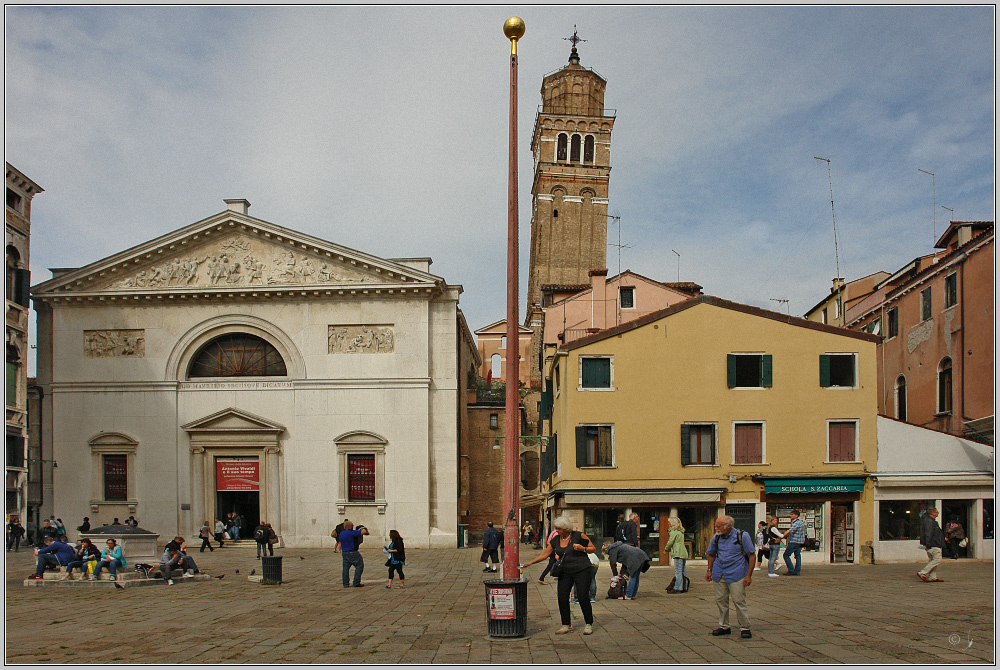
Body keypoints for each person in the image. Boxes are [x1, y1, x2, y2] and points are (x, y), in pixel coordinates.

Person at [520, 515, 596, 635]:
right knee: (562, 597)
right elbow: (545, 554)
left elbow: (593, 548)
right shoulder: (555, 540)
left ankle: (588, 623)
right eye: (556, 528)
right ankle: (566, 624)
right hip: (565, 571)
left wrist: (583, 548)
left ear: (566, 528)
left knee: (582, 597)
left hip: (582, 570)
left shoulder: (578, 535)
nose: (557, 531)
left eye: (559, 529)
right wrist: (529, 563)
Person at [706, 515, 756, 639]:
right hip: (719, 572)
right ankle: (724, 626)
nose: (716, 528)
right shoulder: (716, 537)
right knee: (721, 600)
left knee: (739, 600)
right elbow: (711, 554)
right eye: (716, 525)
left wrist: (749, 575)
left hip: (737, 572)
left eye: (719, 526)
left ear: (728, 526)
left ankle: (745, 627)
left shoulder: (742, 536)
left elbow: (752, 555)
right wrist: (709, 570)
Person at [918, 506, 946, 582]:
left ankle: (932, 576)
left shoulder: (928, 521)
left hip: (931, 544)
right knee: (937, 559)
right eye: (936, 512)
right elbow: (928, 533)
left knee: (932, 559)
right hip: (933, 544)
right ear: (933, 513)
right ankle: (922, 573)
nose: (938, 513)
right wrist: (928, 544)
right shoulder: (930, 522)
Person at [339, 521, 369, 587]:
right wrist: (362, 528)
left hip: (344, 552)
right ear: (349, 526)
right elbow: (363, 532)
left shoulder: (341, 533)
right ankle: (356, 582)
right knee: (359, 566)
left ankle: (345, 584)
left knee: (345, 569)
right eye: (352, 525)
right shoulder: (351, 533)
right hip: (352, 552)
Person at [664, 516, 689, 593]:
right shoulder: (681, 531)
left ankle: (678, 587)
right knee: (682, 571)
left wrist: (666, 549)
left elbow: (670, 542)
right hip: (683, 552)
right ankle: (684, 586)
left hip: (677, 552)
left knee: (678, 571)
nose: (668, 524)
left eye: (669, 522)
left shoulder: (673, 532)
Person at [780, 510, 806, 576]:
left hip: (794, 542)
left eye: (792, 514)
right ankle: (797, 571)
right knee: (797, 556)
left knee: (786, 555)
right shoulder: (799, 523)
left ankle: (791, 570)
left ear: (796, 515)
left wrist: (781, 537)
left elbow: (789, 531)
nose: (790, 515)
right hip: (798, 542)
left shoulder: (797, 523)